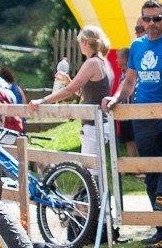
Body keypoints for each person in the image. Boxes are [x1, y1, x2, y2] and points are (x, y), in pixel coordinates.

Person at [107, 0, 162, 248]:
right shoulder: (136, 45)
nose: (152, 24)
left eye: (157, 18)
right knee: (149, 172)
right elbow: (129, 81)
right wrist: (114, 98)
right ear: (142, 20)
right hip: (142, 114)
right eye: (147, 19)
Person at [37, 25, 113, 155]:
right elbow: (87, 95)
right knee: (94, 171)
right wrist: (68, 81)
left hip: (94, 125)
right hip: (101, 122)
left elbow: (69, 91)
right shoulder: (104, 62)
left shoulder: (92, 63)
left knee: (91, 172)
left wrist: (42, 101)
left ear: (84, 42)